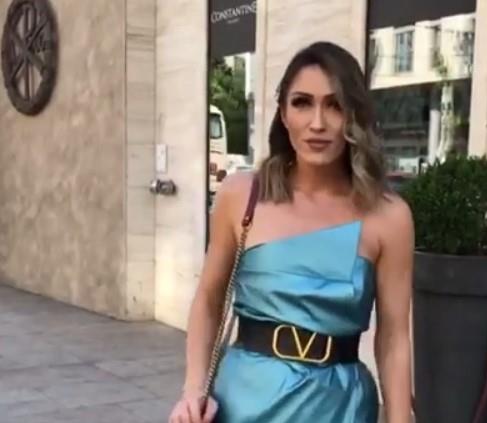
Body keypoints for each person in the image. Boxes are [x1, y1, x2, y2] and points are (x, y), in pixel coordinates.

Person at [169, 41, 413, 423]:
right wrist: (194, 389)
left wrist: (400, 419)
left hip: (340, 407)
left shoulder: (389, 216)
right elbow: (208, 299)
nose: (318, 123)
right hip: (246, 400)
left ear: (354, 115)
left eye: (335, 105)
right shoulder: (242, 195)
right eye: (302, 103)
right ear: (283, 113)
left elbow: (394, 337)